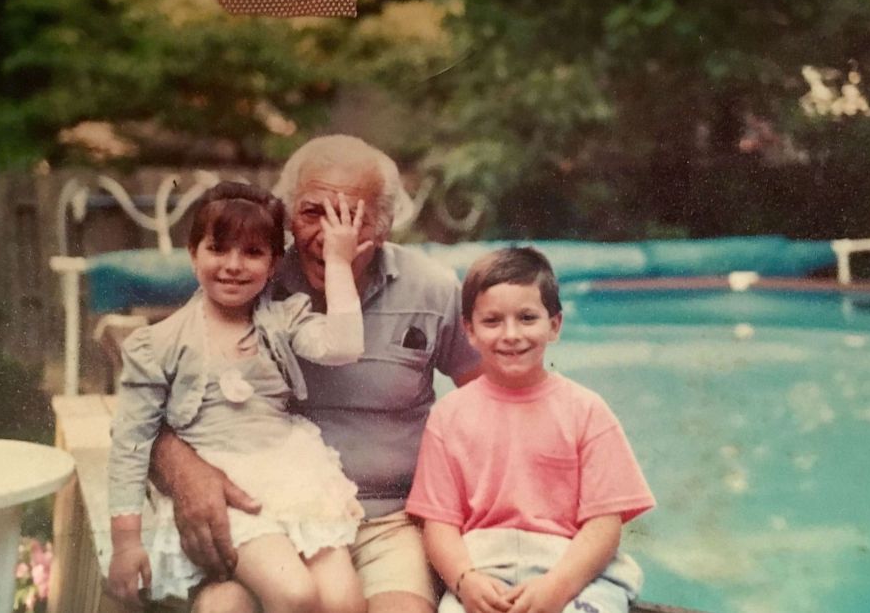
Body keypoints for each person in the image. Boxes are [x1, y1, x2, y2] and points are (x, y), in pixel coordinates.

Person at [149, 135, 482, 613]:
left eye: (349, 217)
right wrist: (186, 473)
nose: (328, 237)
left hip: (388, 521)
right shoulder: (255, 282)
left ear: (384, 228)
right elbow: (151, 408)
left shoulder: (430, 289)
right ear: (286, 217)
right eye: (311, 213)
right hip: (268, 519)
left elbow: (490, 398)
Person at [107, 181, 373, 613]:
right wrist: (125, 543)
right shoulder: (158, 344)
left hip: (292, 475)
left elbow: (343, 346)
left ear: (273, 265)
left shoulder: (283, 319)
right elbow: (131, 443)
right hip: (226, 491)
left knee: (344, 601)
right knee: (295, 595)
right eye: (218, 249)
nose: (233, 265)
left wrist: (339, 263)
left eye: (252, 253)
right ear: (193, 254)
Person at [405, 247, 656, 613]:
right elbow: (439, 523)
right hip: (483, 568)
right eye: (492, 321)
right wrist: (465, 580)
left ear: (554, 325)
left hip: (573, 570)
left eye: (527, 318)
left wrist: (558, 587)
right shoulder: (449, 416)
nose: (511, 334)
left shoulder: (586, 411)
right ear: (469, 330)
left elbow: (604, 524)